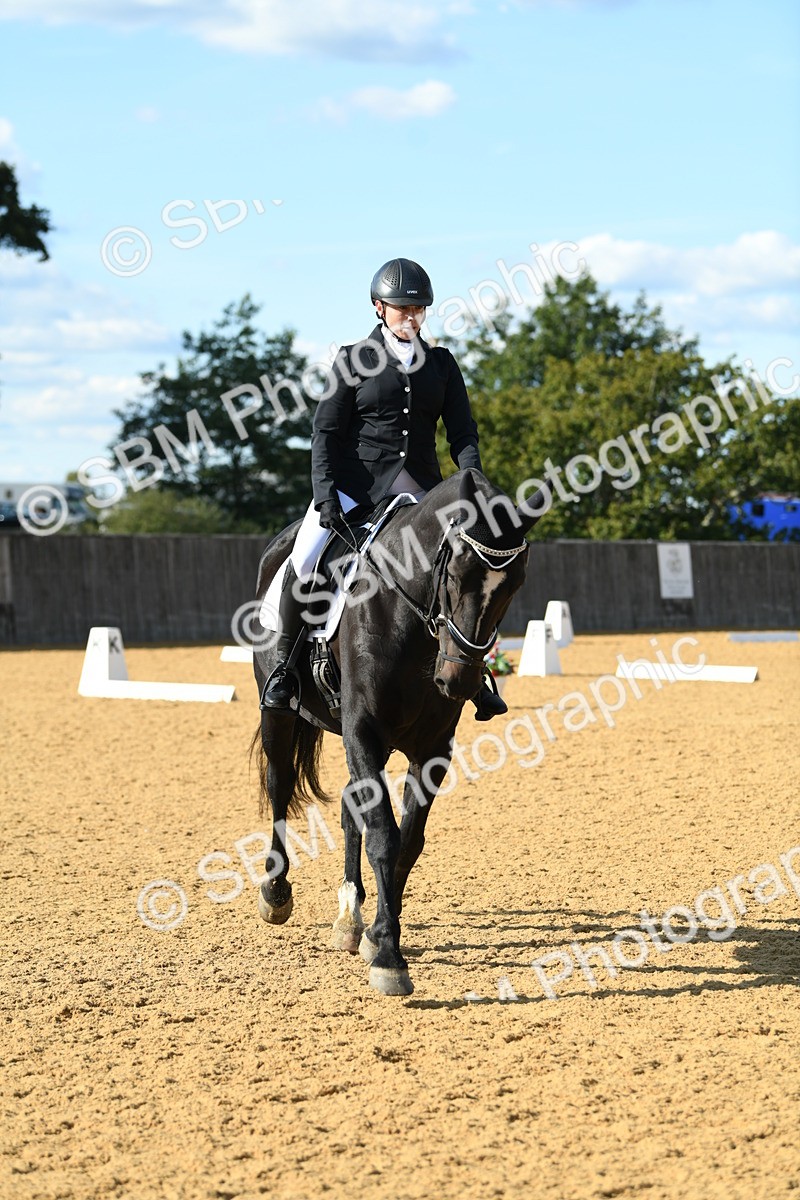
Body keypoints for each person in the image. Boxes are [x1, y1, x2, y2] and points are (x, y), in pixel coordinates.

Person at [260, 256, 507, 721]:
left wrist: (474, 486)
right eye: (400, 309)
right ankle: (284, 670)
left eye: (418, 309)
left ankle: (479, 676)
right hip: (358, 487)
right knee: (306, 556)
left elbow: (462, 434)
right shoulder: (353, 360)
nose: (410, 317)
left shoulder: (441, 365)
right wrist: (325, 495)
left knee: (472, 564)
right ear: (379, 308)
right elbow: (326, 434)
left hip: (422, 492)